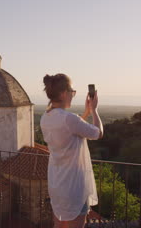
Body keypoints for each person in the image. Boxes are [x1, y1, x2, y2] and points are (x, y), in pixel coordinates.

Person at [40, 73, 103, 228]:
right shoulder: (69, 119)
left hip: (57, 182)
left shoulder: (45, 118)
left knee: (59, 226)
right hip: (74, 185)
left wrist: (86, 112)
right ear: (63, 93)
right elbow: (98, 133)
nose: (73, 95)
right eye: (72, 92)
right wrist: (94, 110)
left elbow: (72, 129)